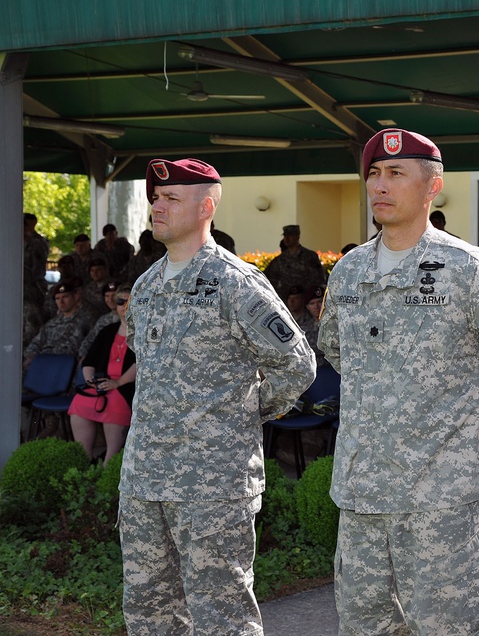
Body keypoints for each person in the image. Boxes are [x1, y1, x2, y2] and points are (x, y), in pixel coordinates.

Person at [318, 128, 479, 635]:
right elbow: (337, 348)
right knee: (364, 627)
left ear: (433, 186)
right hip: (362, 496)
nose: (380, 186)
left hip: (441, 501)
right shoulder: (349, 271)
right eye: (374, 174)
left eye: (396, 174)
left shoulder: (467, 271)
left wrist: (475, 404)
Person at [120, 157, 315, 635]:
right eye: (155, 197)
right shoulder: (146, 286)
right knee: (148, 613)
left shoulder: (236, 283)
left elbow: (297, 365)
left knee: (221, 617)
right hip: (145, 479)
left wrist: (242, 414)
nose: (156, 206)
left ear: (206, 206)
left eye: (170, 198)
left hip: (212, 484)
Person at [69, 284, 135, 465]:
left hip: (126, 388)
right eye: (120, 301)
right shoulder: (108, 330)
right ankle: (85, 462)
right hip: (102, 387)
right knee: (79, 403)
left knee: (114, 404)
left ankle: (109, 465)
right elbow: (89, 360)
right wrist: (91, 380)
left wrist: (118, 382)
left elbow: (143, 364)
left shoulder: (143, 332)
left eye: (130, 301)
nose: (125, 306)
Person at [263, 224, 326, 299]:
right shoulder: (280, 259)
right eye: (285, 236)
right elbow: (268, 278)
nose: (286, 238)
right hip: (285, 302)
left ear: (297, 237)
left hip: (305, 302)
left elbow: (319, 279)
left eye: (290, 235)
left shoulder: (309, 256)